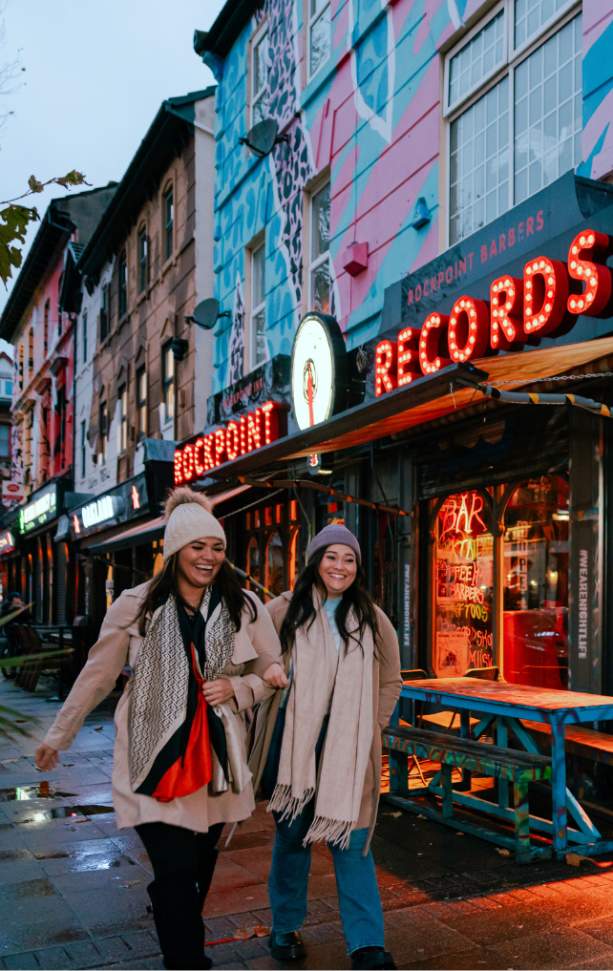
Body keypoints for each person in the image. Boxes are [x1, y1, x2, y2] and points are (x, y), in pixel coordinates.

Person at [35, 487, 284, 970]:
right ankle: (185, 960)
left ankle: (180, 932)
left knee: (198, 867)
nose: (209, 557)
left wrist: (240, 688)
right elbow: (98, 674)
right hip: (152, 757)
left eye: (216, 547)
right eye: (197, 547)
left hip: (217, 761)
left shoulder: (244, 604)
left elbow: (271, 671)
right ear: (174, 550)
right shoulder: (136, 604)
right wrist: (57, 735)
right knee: (174, 870)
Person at [250, 524, 402, 971]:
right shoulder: (282, 610)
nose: (340, 566)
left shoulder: (373, 618)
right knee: (292, 839)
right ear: (315, 560)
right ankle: (284, 926)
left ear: (357, 567)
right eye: (331, 556)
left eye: (349, 559)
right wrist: (268, 674)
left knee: (353, 842)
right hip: (294, 745)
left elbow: (391, 678)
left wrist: (372, 726)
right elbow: (253, 659)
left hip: (349, 752)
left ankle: (367, 944)